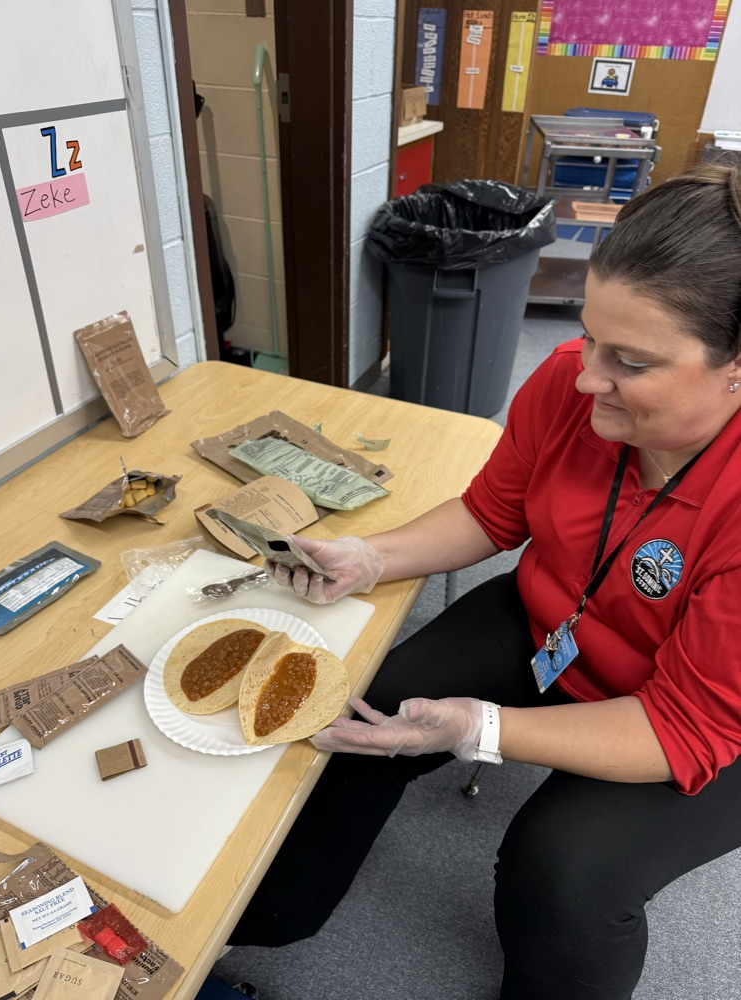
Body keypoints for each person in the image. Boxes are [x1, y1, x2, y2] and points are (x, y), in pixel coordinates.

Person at [228, 163, 741, 1000]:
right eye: (588, 337)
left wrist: (482, 729)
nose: (583, 378)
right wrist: (372, 555)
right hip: (564, 620)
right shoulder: (570, 384)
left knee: (564, 872)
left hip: (702, 721)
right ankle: (270, 917)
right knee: (375, 700)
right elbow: (493, 514)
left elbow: (684, 728)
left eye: (632, 362)